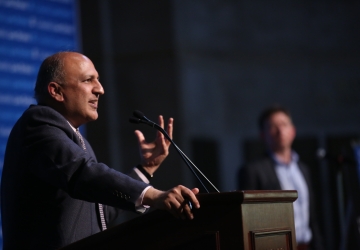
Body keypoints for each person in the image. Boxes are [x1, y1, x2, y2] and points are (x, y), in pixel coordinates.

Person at [0, 51, 200, 250]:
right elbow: (82, 173)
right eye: (88, 80)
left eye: (98, 80)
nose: (100, 89)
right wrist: (154, 195)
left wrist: (145, 170)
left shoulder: (73, 138)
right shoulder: (37, 125)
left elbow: (99, 212)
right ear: (56, 91)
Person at [238, 105, 323, 250]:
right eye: (272, 126)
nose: (280, 131)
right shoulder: (253, 170)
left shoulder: (304, 169)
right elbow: (248, 221)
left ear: (293, 131)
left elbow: (312, 218)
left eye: (284, 124)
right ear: (263, 135)